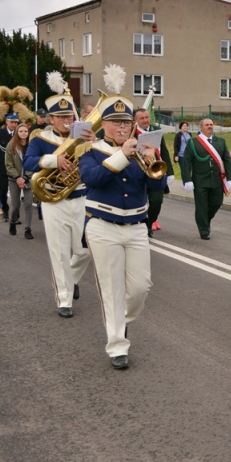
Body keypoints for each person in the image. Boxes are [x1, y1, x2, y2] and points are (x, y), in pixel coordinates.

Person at [79, 89, 166, 369]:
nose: (121, 127)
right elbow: (92, 179)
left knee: (141, 287)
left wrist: (154, 159)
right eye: (115, 122)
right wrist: (121, 157)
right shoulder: (90, 151)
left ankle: (119, 321)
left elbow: (156, 187)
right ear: (103, 125)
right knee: (112, 288)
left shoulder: (140, 150)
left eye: (126, 123)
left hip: (137, 227)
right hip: (102, 226)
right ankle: (117, 345)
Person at [23, 76, 94, 318]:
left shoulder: (82, 137)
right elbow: (28, 162)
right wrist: (54, 160)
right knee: (59, 251)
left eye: (69, 117)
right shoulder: (41, 139)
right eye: (61, 117)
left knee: (85, 250)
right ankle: (64, 300)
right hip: (54, 201)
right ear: (51, 119)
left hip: (82, 199)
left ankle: (72, 279)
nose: (66, 121)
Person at [182, 118, 231, 239]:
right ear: (201, 127)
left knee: (217, 203)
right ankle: (204, 230)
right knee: (201, 206)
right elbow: (186, 162)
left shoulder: (220, 141)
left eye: (211, 124)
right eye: (207, 125)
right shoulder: (193, 142)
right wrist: (187, 180)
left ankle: (204, 220)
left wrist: (230, 178)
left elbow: (227, 160)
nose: (210, 126)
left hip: (216, 180)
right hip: (200, 180)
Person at [134, 108, 173, 236]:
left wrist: (170, 172)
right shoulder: (132, 133)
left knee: (157, 201)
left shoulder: (156, 131)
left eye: (147, 117)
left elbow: (164, 152)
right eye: (142, 118)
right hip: (139, 172)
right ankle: (140, 226)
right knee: (141, 202)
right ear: (136, 120)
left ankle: (149, 223)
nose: (145, 120)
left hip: (156, 172)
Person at [5, 123, 34, 239]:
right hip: (14, 179)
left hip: (28, 178)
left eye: (25, 131)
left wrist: (26, 177)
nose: (23, 133)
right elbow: (8, 164)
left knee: (28, 204)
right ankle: (12, 221)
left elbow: (34, 163)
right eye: (21, 131)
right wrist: (18, 177)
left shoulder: (32, 145)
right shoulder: (11, 145)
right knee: (15, 204)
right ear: (17, 132)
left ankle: (28, 228)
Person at [0, 113, 18, 221]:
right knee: (2, 191)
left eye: (16, 122)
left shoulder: (19, 133)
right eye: (12, 122)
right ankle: (5, 210)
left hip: (16, 167)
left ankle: (16, 215)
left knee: (15, 193)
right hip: (2, 166)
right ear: (6, 122)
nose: (14, 124)